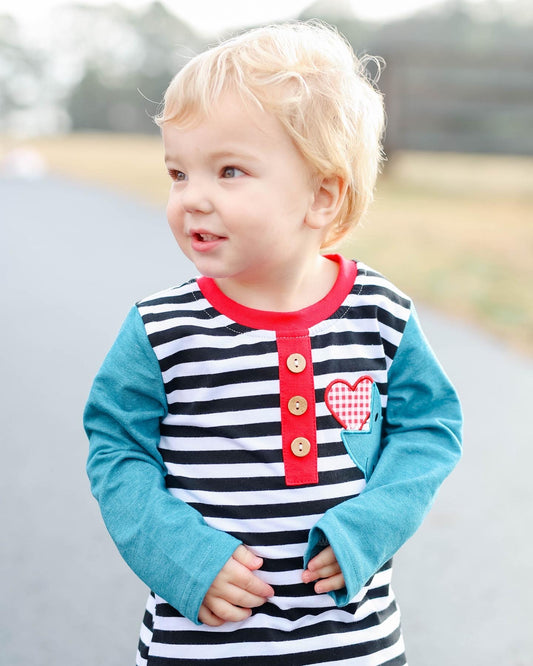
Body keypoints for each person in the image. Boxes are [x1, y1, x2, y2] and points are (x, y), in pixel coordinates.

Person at [84, 20, 462, 666]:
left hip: (351, 643)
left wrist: (367, 530)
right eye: (178, 173)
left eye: (228, 171)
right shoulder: (161, 327)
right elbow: (116, 449)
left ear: (321, 195)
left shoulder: (378, 315)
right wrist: (179, 554)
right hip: (201, 642)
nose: (191, 199)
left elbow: (429, 430)